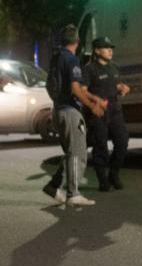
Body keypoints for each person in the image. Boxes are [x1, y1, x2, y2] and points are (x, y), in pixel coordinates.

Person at [42, 24, 106, 206]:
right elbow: (76, 89)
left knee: (71, 152)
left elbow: (53, 86)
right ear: (78, 41)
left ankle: (54, 186)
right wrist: (91, 106)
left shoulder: (56, 58)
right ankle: (73, 193)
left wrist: (94, 99)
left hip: (59, 110)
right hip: (71, 112)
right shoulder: (72, 60)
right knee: (78, 152)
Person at [83, 36, 130, 192]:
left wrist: (123, 88)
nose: (110, 50)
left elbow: (117, 85)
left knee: (122, 141)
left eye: (111, 48)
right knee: (100, 145)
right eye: (106, 47)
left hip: (115, 109)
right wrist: (93, 104)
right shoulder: (89, 69)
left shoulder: (113, 67)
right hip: (99, 111)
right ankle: (103, 179)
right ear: (97, 50)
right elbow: (82, 91)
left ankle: (114, 174)